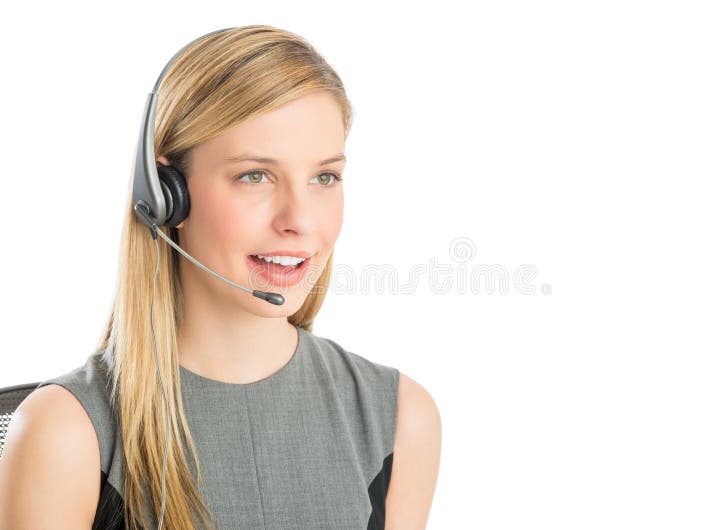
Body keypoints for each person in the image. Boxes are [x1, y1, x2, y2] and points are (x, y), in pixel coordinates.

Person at [0, 24, 441, 530]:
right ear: (168, 196)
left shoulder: (401, 419)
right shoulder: (64, 434)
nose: (300, 219)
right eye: (255, 175)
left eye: (325, 177)